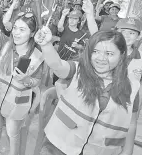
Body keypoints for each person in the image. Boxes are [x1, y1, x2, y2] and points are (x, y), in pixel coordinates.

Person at [34, 26, 140, 155]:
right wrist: (46, 46)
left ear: (122, 55)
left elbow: (131, 123)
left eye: (109, 54)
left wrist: (127, 151)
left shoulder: (133, 88)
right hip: (58, 146)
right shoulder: (78, 71)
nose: (101, 58)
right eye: (95, 51)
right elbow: (58, 65)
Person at [0, 0, 44, 155]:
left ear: (32, 34)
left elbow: (36, 82)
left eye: (22, 30)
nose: (16, 33)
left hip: (16, 104)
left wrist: (26, 80)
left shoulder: (36, 55)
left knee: (12, 133)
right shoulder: (5, 43)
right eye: (15, 28)